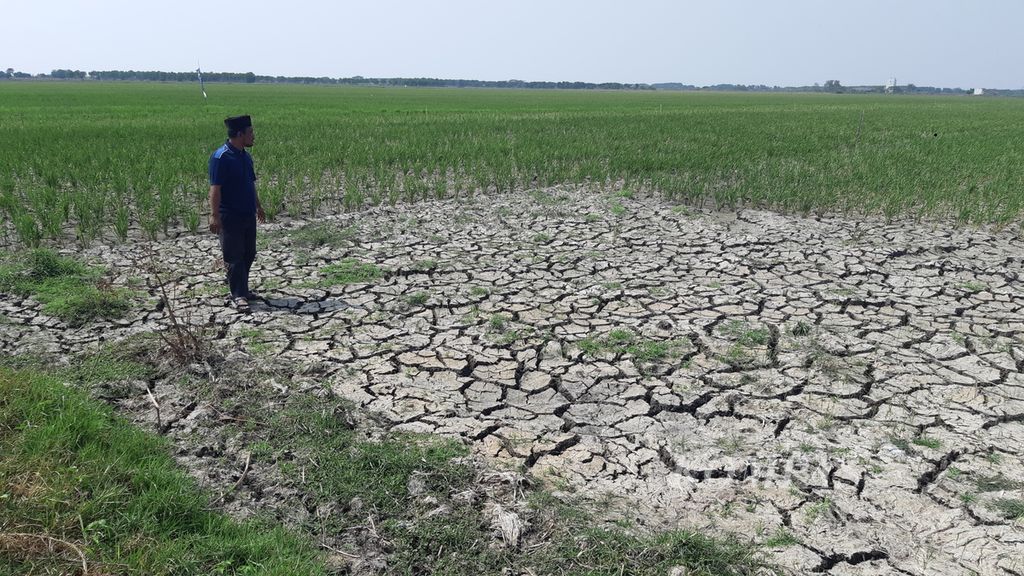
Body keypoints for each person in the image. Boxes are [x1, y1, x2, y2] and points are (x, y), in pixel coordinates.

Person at [208, 115, 265, 311]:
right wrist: (214, 215)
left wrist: (258, 206)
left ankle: (243, 289)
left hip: (248, 213)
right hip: (230, 216)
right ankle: (238, 295)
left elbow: (250, 184)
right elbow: (215, 189)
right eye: (250, 133)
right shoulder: (221, 157)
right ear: (239, 134)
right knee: (234, 256)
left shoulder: (245, 156)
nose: (253, 136)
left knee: (249, 253)